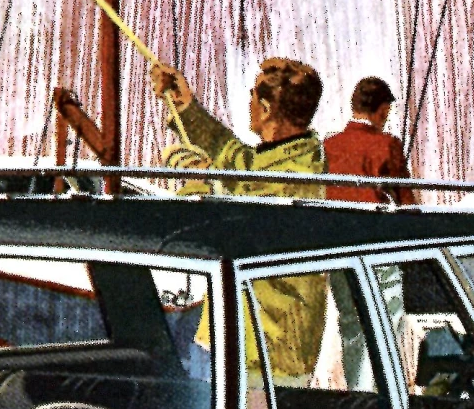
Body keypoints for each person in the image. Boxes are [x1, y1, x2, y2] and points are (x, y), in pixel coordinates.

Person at [151, 56, 327, 377]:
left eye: (251, 98)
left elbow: (225, 228)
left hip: (261, 354)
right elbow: (240, 163)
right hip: (243, 341)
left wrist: (199, 182)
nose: (248, 106)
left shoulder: (294, 180)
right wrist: (187, 108)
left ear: (265, 108)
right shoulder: (292, 157)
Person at [322, 76, 413, 206]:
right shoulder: (388, 144)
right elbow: (406, 200)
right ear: (384, 110)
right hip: (375, 222)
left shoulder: (328, 144)